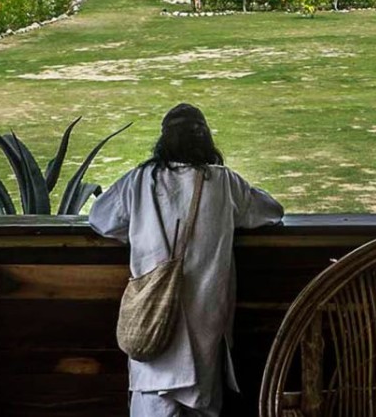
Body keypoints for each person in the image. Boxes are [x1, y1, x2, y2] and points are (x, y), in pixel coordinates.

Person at [89, 103, 283, 417]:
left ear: (163, 142)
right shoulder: (224, 183)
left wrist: (140, 229)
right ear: (206, 141)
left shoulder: (139, 181)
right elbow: (271, 211)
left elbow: (101, 218)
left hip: (150, 330)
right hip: (205, 330)